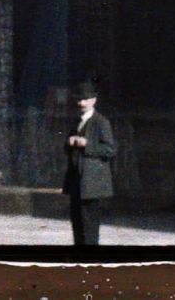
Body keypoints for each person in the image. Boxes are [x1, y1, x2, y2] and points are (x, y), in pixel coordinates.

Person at [62, 78, 116, 247]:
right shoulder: (77, 121)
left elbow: (110, 150)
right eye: (79, 99)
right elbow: (68, 149)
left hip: (92, 184)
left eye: (85, 99)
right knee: (77, 224)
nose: (81, 102)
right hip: (77, 181)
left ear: (94, 100)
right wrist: (69, 142)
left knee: (89, 226)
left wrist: (88, 145)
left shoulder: (101, 122)